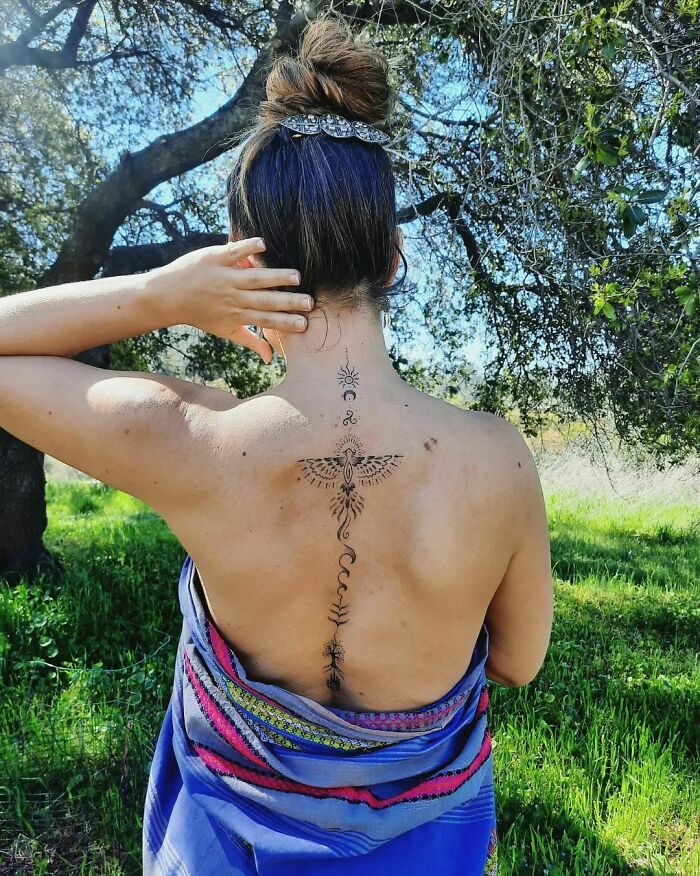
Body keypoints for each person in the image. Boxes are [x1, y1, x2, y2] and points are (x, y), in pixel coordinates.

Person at [0, 12, 553, 875]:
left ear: (242, 264)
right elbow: (517, 661)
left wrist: (157, 294)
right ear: (396, 258)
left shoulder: (190, 438)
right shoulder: (499, 460)